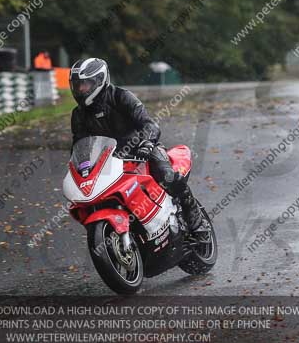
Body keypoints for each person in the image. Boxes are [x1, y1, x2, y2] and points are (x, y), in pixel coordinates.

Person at [68, 58, 205, 231]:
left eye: (85, 85)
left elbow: (149, 124)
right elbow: (79, 144)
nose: (80, 90)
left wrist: (147, 143)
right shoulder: (78, 114)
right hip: (109, 161)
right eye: (77, 85)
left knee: (167, 176)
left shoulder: (121, 97)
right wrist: (80, 167)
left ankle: (195, 218)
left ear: (99, 81)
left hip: (142, 150)